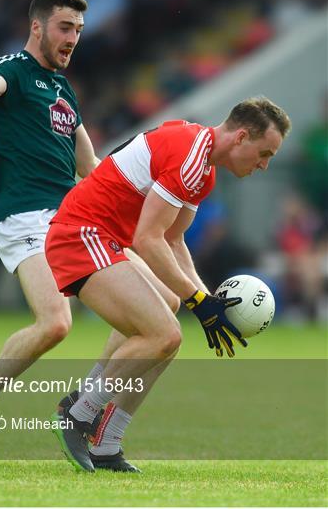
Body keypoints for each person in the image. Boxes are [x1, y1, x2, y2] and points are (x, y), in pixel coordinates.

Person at [0, 0, 178, 472]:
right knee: (55, 324)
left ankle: (83, 406)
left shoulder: (66, 91)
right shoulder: (14, 69)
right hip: (27, 217)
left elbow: (91, 165)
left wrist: (142, 188)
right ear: (37, 26)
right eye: (65, 27)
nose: (73, 38)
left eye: (79, 30)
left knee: (164, 303)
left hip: (74, 221)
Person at [45, 97, 291, 472]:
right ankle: (79, 415)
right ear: (241, 137)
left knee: (165, 324)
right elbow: (148, 239)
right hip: (81, 235)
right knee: (164, 335)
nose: (264, 165)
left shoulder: (203, 166)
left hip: (104, 240)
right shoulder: (192, 156)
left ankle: (106, 444)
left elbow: (174, 241)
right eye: (264, 153)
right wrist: (198, 300)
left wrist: (206, 299)